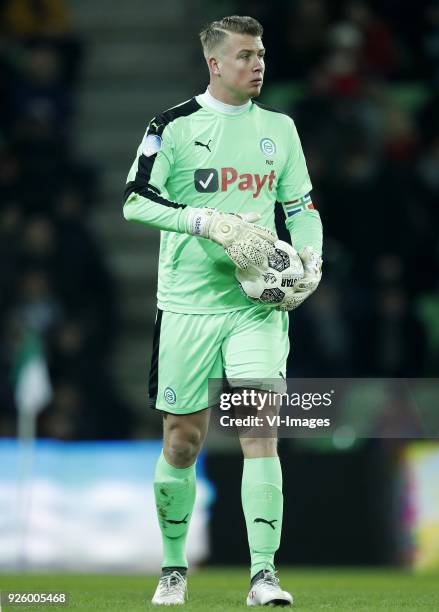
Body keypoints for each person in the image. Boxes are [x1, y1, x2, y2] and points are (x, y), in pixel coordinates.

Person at [123, 15, 323, 607]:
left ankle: (264, 575)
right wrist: (203, 219)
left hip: (254, 306)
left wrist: (311, 255)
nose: (257, 64)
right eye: (244, 55)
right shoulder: (173, 127)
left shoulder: (280, 129)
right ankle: (173, 569)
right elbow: (135, 201)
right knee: (183, 440)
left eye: (260, 54)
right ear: (215, 63)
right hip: (186, 305)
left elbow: (301, 203)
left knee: (261, 431)